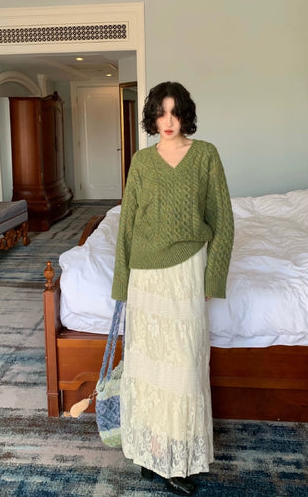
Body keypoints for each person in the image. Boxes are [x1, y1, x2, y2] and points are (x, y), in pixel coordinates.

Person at [111, 81, 234, 496]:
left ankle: (176, 460)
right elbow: (128, 224)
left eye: (175, 112)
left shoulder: (206, 155)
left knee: (183, 368)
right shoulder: (142, 161)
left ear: (186, 115)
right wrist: (122, 283)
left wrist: (213, 278)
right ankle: (150, 454)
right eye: (161, 113)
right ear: (152, 117)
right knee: (147, 367)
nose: (168, 121)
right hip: (145, 275)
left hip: (186, 271)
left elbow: (223, 221)